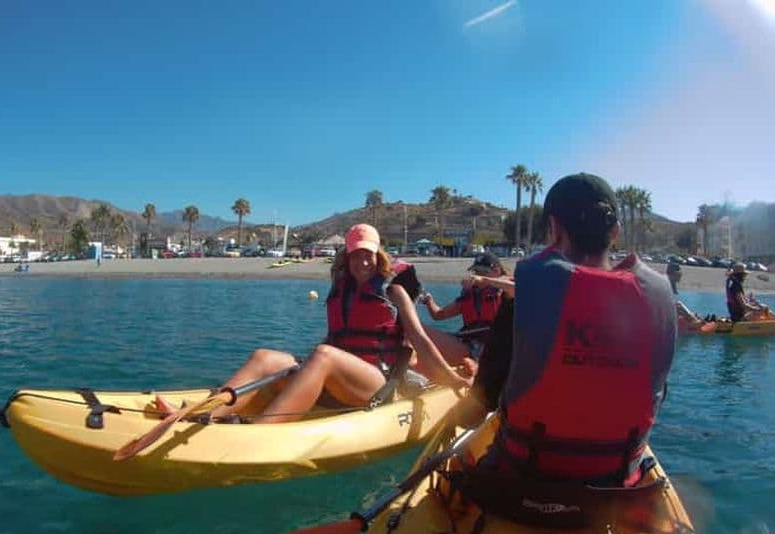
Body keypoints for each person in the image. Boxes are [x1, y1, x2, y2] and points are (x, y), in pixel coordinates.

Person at [466, 173, 676, 484]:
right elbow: (657, 393)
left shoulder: (527, 295)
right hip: (614, 483)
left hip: (523, 481)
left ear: (553, 230)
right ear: (615, 232)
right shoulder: (658, 297)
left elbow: (483, 399)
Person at [156, 223, 472, 424]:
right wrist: (306, 367)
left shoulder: (394, 291)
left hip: (378, 383)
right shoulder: (341, 289)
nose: (363, 262)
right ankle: (200, 415)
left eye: (369, 256)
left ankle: (257, 433)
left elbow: (420, 340)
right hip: (339, 377)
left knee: (322, 355)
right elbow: (337, 338)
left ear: (379, 257)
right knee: (265, 357)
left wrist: (451, 379)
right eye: (356, 256)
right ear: (346, 258)